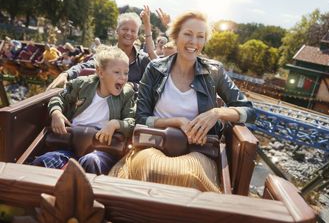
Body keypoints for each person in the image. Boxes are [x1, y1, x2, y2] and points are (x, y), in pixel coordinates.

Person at [109, 11, 256, 192]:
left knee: (188, 175)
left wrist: (217, 113)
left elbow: (249, 111)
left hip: (198, 150)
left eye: (200, 37)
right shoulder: (155, 69)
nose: (193, 42)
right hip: (154, 143)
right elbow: (141, 117)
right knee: (151, 168)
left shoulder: (214, 71)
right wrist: (176, 122)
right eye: (187, 34)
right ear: (176, 36)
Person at [32, 45, 136, 175]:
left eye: (126, 73)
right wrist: (56, 112)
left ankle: (86, 193)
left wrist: (116, 124)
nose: (123, 77)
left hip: (103, 149)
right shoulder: (82, 85)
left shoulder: (126, 94)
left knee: (91, 161)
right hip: (70, 143)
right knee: (45, 161)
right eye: (117, 72)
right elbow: (60, 98)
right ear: (100, 72)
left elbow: (131, 121)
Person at [46, 12, 150, 90]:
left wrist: (131, 85)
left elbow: (149, 86)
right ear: (117, 31)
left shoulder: (143, 60)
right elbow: (86, 65)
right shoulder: (106, 54)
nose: (129, 33)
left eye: (133, 31)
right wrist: (66, 74)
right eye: (125, 29)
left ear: (137, 35)